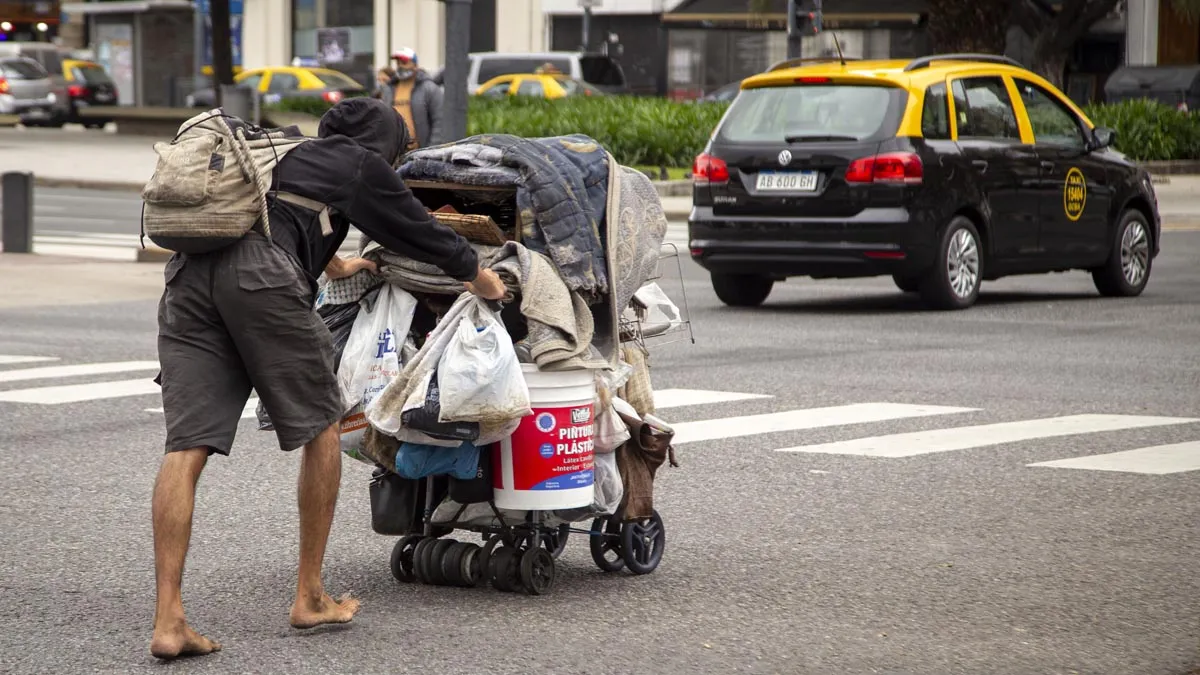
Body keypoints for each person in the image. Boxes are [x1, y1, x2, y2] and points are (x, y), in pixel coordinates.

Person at [148, 96, 505, 660]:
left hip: (189, 280)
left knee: (185, 446)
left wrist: (339, 265)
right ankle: (310, 596)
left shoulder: (287, 153)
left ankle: (169, 621)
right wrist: (480, 278)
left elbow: (282, 218)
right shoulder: (360, 163)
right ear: (386, 145)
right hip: (261, 280)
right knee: (323, 428)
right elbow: (421, 234)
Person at [372, 47, 444, 151]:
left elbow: (439, 122)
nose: (400, 66)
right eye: (398, 63)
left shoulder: (429, 89)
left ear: (415, 65)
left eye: (404, 62)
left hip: (421, 152)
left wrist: (431, 149)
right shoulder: (389, 89)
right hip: (395, 152)